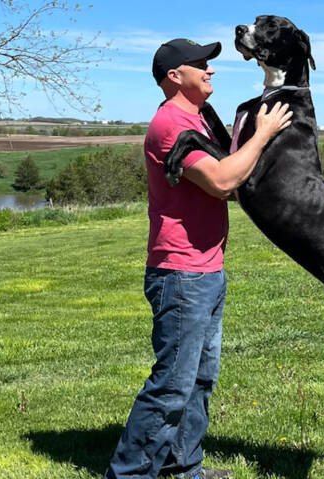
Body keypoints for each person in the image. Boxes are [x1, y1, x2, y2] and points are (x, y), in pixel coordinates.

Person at [105, 38, 292, 479]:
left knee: (199, 380)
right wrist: (264, 133)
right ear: (175, 76)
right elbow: (224, 180)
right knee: (172, 383)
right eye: (201, 64)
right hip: (181, 272)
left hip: (207, 268)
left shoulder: (201, 120)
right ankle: (128, 474)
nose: (211, 70)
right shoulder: (170, 124)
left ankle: (181, 466)